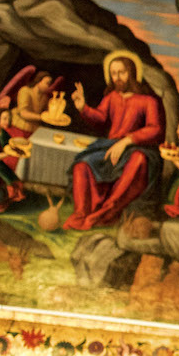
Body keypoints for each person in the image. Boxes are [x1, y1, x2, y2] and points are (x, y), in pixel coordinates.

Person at [66, 55, 164, 230]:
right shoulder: (112, 97)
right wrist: (83, 107)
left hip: (137, 147)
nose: (117, 77)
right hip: (110, 146)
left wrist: (127, 140)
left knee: (139, 160)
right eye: (113, 73)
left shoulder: (148, 101)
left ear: (132, 73)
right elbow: (100, 118)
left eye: (121, 73)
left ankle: (107, 211)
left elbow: (155, 129)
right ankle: (81, 213)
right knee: (81, 165)